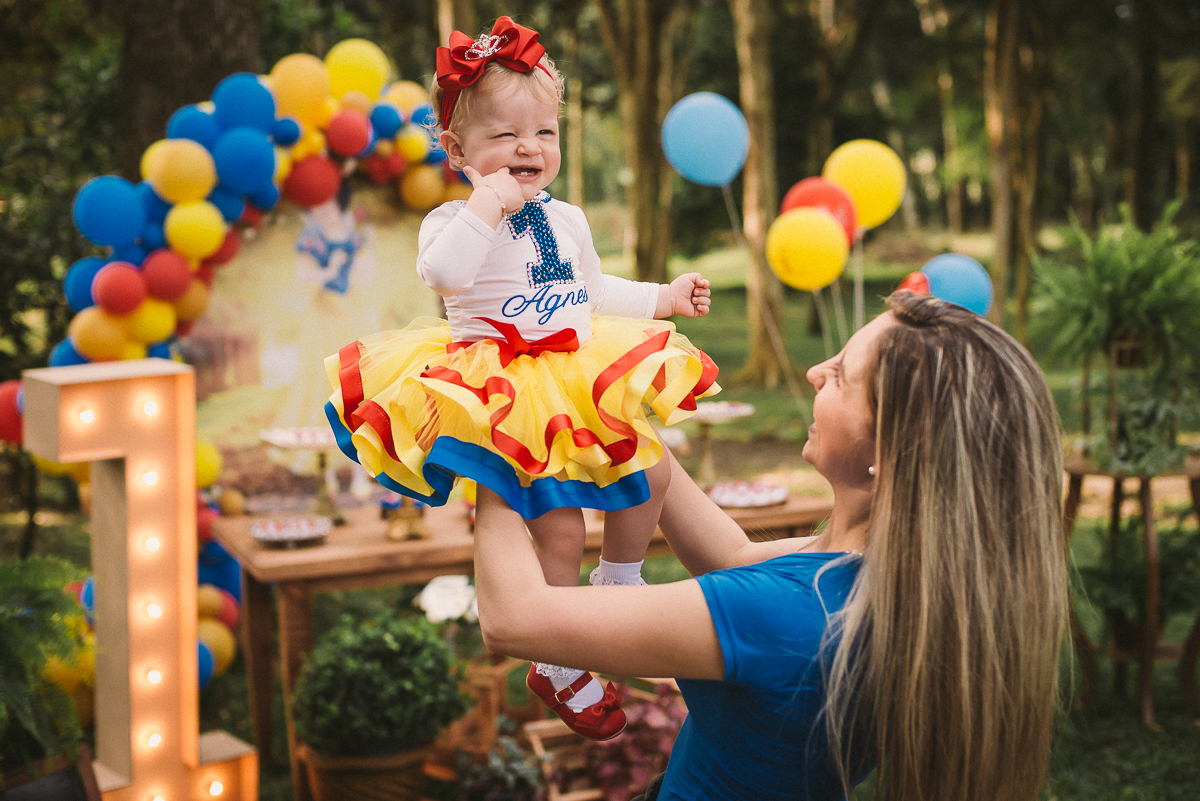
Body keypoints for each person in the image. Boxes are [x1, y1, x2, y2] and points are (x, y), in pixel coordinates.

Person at [473, 292, 1070, 801]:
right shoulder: (888, 572)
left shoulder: (793, 614)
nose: (815, 372)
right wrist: (599, 399)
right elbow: (730, 557)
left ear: (888, 454)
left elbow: (513, 619)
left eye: (840, 376)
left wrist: (491, 437)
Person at [324, 16, 717, 740]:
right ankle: (557, 660)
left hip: (572, 372)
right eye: (505, 135)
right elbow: (444, 275)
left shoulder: (567, 218)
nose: (529, 148)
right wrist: (486, 203)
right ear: (457, 151)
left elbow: (593, 291)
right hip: (502, 385)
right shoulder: (451, 219)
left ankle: (619, 582)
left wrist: (664, 296)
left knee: (654, 470)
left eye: (544, 132)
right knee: (559, 529)